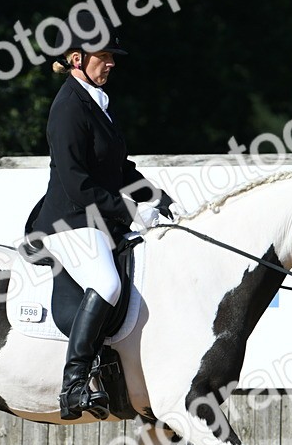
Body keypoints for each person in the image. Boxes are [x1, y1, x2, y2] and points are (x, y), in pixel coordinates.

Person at [24, 23, 178, 420]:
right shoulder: (68, 107)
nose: (110, 63)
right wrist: (131, 211)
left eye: (112, 57)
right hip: (69, 222)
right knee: (106, 282)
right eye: (103, 56)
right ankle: (74, 385)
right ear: (77, 59)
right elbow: (77, 184)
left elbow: (120, 168)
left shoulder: (97, 103)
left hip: (97, 220)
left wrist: (161, 199)